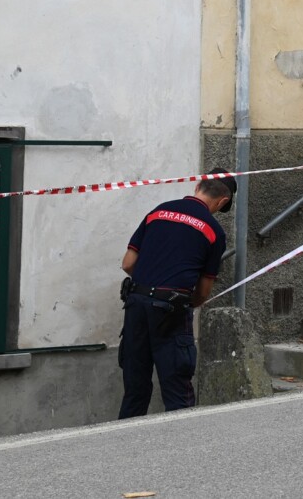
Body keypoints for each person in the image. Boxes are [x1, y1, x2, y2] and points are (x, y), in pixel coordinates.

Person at [117, 169, 236, 418]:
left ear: (198, 187)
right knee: (177, 393)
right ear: (222, 201)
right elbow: (203, 292)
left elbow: (128, 263)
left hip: (136, 303)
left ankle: (122, 449)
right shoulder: (214, 230)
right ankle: (181, 450)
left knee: (135, 389)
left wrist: (151, 282)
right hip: (171, 310)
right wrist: (175, 298)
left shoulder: (157, 212)